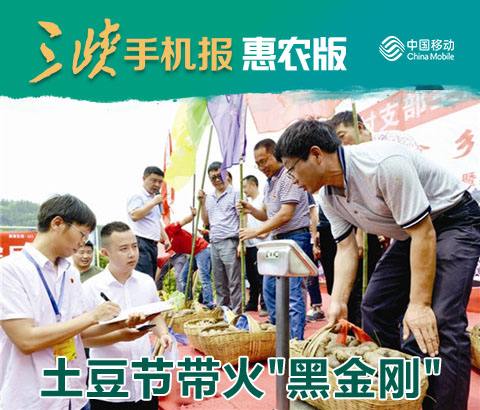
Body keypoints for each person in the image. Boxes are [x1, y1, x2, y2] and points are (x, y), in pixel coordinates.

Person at [276, 119, 480, 410]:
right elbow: (346, 249)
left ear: (316, 154)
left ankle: (442, 403)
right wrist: (339, 301)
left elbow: (424, 232)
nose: (292, 179)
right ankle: (402, 392)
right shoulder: (329, 198)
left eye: (291, 169)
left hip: (452, 219)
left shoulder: (382, 164)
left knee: (441, 319)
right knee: (375, 307)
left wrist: (419, 304)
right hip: (410, 233)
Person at [0, 194, 145, 410]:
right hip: (34, 399)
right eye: (82, 234)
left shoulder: (70, 273)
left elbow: (79, 333)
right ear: (57, 223)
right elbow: (26, 340)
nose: (83, 242)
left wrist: (121, 327)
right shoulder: (10, 270)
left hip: (74, 395)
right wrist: (93, 315)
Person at [83, 221, 172, 410]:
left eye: (134, 246)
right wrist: (120, 335)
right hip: (109, 385)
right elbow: (84, 339)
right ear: (105, 253)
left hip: (144, 381)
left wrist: (163, 334)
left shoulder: (146, 282)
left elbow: (154, 315)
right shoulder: (90, 289)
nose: (132, 254)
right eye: (123, 249)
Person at [238, 139, 310, 340]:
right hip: (277, 239)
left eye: (264, 161)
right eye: (258, 164)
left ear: (276, 154)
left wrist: (255, 232)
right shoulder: (270, 183)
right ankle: (280, 336)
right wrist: (251, 209)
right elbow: (268, 215)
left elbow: (285, 214)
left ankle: (295, 341)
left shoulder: (289, 176)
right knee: (269, 289)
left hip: (295, 237)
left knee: (293, 293)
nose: (262, 167)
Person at [198, 162, 242, 313]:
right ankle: (223, 313)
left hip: (230, 241)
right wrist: (202, 203)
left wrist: (241, 243)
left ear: (226, 175)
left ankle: (236, 314)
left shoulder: (236, 193)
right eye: (213, 177)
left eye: (219, 176)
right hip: (214, 242)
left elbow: (243, 219)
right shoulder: (209, 197)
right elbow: (206, 222)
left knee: (234, 281)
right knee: (219, 282)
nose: (217, 180)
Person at [164, 208, 215, 308]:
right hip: (193, 253)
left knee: (204, 277)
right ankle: (188, 302)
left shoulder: (168, 229)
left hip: (201, 248)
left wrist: (192, 215)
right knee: (183, 277)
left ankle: (209, 303)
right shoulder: (161, 241)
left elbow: (183, 221)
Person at [127, 166, 171, 278]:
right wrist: (153, 203)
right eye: (154, 180)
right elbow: (134, 215)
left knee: (150, 278)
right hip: (140, 241)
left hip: (152, 244)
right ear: (144, 178)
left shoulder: (155, 198)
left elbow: (156, 221)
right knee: (143, 278)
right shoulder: (138, 195)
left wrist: (166, 238)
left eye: (160, 182)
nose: (157, 184)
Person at [242, 175, 268, 316]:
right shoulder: (248, 203)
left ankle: (265, 304)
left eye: (245, 187)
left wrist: (263, 233)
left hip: (262, 243)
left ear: (253, 184)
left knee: (262, 276)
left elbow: (269, 217)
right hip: (250, 243)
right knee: (251, 276)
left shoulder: (263, 199)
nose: (244, 190)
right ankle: (252, 302)